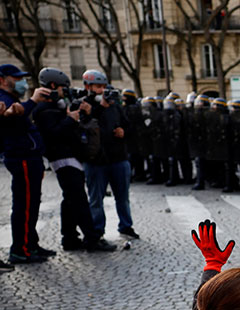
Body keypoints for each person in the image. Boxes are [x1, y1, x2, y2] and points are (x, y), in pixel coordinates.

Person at [31, 67, 116, 252]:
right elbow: (53, 133)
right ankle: (92, 238)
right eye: (63, 88)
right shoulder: (44, 109)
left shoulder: (54, 107)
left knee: (69, 200)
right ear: (53, 86)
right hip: (63, 157)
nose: (65, 92)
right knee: (79, 199)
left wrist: (84, 113)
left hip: (69, 156)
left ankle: (69, 238)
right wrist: (70, 119)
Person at [1, 63, 51, 266]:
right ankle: (20, 250)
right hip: (21, 157)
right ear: (3, 80)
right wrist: (33, 101)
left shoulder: (11, 98)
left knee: (32, 203)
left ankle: (30, 244)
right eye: (17, 78)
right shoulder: (4, 99)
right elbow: (15, 115)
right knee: (24, 205)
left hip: (29, 157)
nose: (21, 82)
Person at [80, 70, 138, 239]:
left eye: (104, 87)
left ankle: (126, 226)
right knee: (96, 199)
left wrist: (123, 131)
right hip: (96, 160)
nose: (102, 90)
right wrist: (99, 108)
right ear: (88, 87)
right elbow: (85, 124)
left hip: (118, 158)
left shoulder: (115, 106)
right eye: (98, 87)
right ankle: (98, 230)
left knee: (122, 197)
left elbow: (129, 126)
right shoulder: (83, 104)